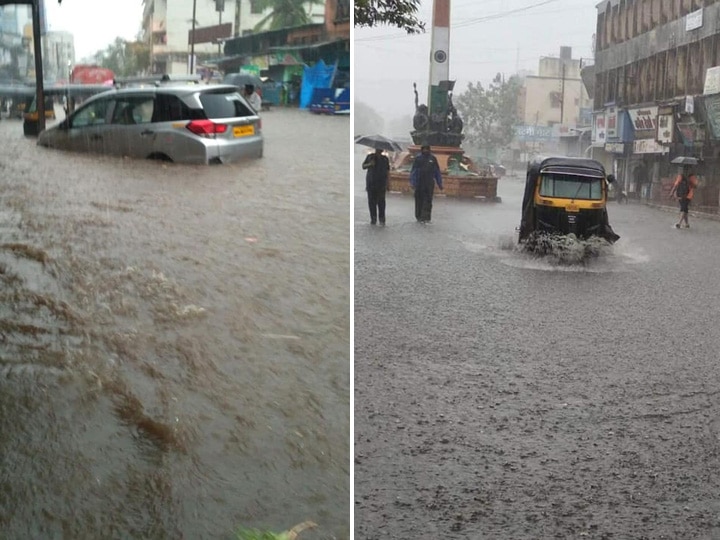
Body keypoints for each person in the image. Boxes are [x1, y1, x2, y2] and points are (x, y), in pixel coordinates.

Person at [410, 145, 443, 223]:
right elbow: (414, 171)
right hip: (419, 182)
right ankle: (418, 216)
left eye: (427, 149)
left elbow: (437, 172)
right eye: (424, 149)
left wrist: (439, 183)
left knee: (428, 200)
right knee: (419, 200)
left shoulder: (432, 159)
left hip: (429, 183)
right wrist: (413, 182)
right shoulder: (418, 158)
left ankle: (426, 217)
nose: (425, 151)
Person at [362, 148, 391, 225]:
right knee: (372, 202)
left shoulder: (385, 159)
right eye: (378, 149)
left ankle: (382, 219)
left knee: (381, 202)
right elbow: (363, 166)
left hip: (381, 184)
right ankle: (373, 219)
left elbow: (388, 171)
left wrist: (388, 183)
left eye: (381, 149)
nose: (380, 150)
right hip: (371, 183)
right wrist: (370, 164)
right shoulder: (370, 157)